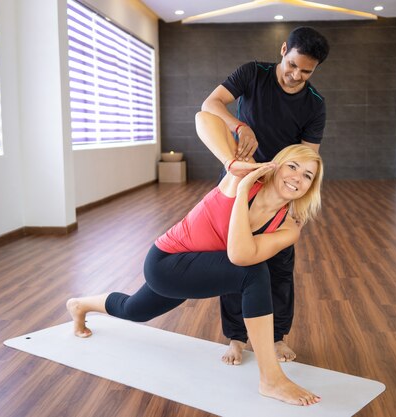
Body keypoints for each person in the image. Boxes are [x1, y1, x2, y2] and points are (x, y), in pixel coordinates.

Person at [66, 111, 324, 406]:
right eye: (293, 166)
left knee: (134, 310)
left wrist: (240, 195)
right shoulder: (240, 179)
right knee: (253, 273)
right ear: (275, 167)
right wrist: (236, 175)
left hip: (195, 268)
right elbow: (203, 116)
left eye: (307, 175)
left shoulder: (289, 225)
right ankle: (271, 378)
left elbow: (239, 253)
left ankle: (80, 304)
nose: (297, 178)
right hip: (167, 262)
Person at [201, 26, 329, 365]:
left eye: (306, 71)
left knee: (280, 267)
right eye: (292, 65)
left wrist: (298, 201)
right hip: (240, 181)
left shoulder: (314, 104)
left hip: (280, 190)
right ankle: (236, 338)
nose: (295, 75)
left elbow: (307, 156)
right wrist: (239, 126)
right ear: (284, 49)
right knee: (234, 260)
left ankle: (276, 338)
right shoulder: (252, 73)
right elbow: (210, 104)